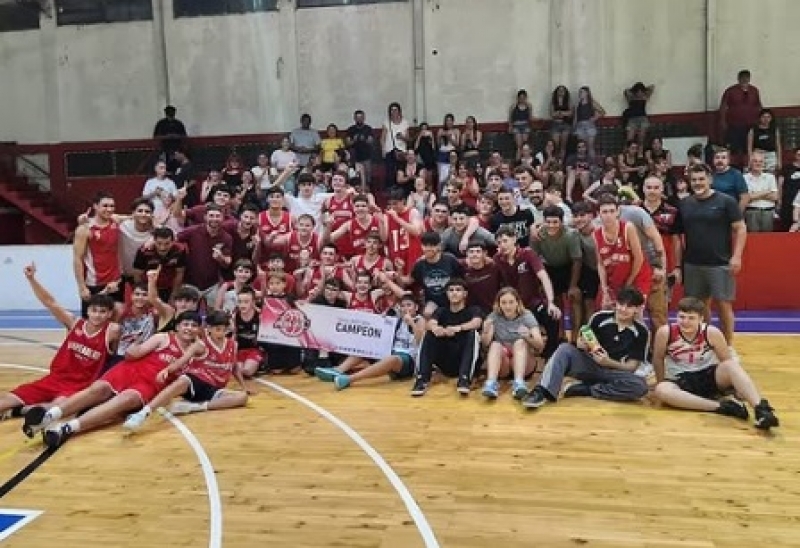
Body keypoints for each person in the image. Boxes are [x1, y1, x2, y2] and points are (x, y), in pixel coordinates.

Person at [25, 311, 204, 448]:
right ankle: (49, 416)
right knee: (97, 390)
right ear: (177, 326)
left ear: (199, 329)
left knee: (121, 402)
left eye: (193, 325)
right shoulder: (163, 338)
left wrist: (187, 352)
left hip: (149, 384)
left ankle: (68, 428)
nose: (189, 328)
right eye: (185, 324)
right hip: (130, 370)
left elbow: (192, 363)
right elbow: (135, 354)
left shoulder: (199, 349)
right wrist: (134, 348)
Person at [0, 264, 118, 422]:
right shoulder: (74, 322)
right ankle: (17, 408)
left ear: (110, 314)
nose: (97, 315)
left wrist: (105, 293)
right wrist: (32, 279)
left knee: (57, 409)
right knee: (6, 400)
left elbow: (121, 311)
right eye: (94, 311)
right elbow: (50, 302)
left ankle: (19, 411)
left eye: (103, 312)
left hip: (79, 387)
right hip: (55, 379)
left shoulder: (112, 331)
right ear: (88, 311)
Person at [652, 296, 779, 430]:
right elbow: (658, 359)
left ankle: (761, 409)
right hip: (680, 380)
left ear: (701, 319)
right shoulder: (665, 332)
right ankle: (722, 407)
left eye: (691, 318)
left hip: (708, 376)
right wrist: (661, 381)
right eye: (681, 317)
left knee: (731, 365)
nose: (685, 322)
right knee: (661, 390)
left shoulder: (711, 333)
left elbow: (726, 362)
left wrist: (736, 388)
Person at [522, 286, 650, 409]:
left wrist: (608, 362)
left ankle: (588, 389)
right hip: (590, 364)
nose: (623, 309)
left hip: (615, 371)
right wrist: (581, 344)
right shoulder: (599, 318)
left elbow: (632, 367)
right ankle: (542, 391)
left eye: (629, 306)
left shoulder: (641, 332)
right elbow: (581, 339)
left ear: (637, 309)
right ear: (616, 303)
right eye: (621, 304)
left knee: (640, 386)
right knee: (564, 349)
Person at [121, 310, 250, 431]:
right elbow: (182, 360)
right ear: (208, 329)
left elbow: (234, 367)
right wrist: (167, 370)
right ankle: (142, 414)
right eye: (218, 330)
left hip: (213, 388)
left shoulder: (233, 344)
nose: (221, 333)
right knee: (183, 381)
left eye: (224, 330)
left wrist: (244, 386)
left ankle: (194, 407)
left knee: (242, 398)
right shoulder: (200, 345)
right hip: (197, 381)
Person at [676, 164, 747, 345]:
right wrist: (677, 265)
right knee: (698, 307)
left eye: (701, 179)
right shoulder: (684, 204)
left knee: (724, 305)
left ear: (710, 179)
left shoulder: (726, 201)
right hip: (692, 264)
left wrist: (737, 256)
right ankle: (704, 343)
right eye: (694, 180)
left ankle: (728, 346)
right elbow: (678, 238)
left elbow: (740, 228)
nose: (698, 183)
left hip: (720, 263)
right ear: (689, 182)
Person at [315, 293, 424, 390]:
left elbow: (421, 342)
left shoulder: (420, 320)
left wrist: (412, 324)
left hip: (408, 361)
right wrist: (383, 321)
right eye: (403, 306)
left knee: (393, 359)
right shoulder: (398, 319)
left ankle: (349, 379)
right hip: (392, 353)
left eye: (409, 305)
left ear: (416, 307)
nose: (405, 308)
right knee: (368, 345)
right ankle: (339, 370)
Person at [410, 279, 483, 396]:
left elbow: (477, 322)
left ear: (465, 294)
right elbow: (430, 323)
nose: (454, 293)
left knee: (472, 334)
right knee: (428, 334)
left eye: (458, 290)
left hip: (463, 358)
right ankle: (422, 379)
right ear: (447, 293)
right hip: (445, 359)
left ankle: (464, 379)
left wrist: (458, 328)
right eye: (451, 290)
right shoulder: (441, 311)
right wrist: (438, 329)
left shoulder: (473, 310)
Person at [480, 287, 544, 400]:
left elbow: (540, 345)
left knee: (519, 342)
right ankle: (491, 383)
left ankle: (519, 383)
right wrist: (485, 331)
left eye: (511, 302)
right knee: (495, 344)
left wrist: (528, 336)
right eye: (503, 302)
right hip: (503, 364)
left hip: (524, 363)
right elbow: (485, 344)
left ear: (517, 303)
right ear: (498, 304)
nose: (507, 306)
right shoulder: (494, 316)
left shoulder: (526, 316)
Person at [73, 192, 123, 318]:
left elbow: (136, 217)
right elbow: (77, 259)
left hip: (114, 283)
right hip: (94, 284)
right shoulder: (85, 229)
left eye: (112, 206)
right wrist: (82, 287)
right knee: (91, 321)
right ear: (95, 206)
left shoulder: (115, 221)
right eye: (105, 206)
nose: (109, 209)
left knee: (114, 320)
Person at [719, 70, 762, 159]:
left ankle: (748, 164)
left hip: (751, 124)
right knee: (735, 147)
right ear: (738, 79)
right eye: (743, 78)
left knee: (750, 146)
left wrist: (761, 120)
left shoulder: (754, 90)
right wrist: (723, 121)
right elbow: (723, 107)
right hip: (735, 124)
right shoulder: (730, 91)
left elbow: (759, 105)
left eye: (747, 77)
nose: (745, 80)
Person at [743, 151, 778, 232]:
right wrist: (766, 192)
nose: (758, 163)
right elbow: (747, 197)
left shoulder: (770, 177)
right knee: (754, 240)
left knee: (767, 241)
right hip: (751, 212)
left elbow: (775, 197)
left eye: (761, 161)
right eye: (755, 161)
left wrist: (754, 194)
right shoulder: (744, 178)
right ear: (750, 163)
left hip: (768, 212)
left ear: (764, 163)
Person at [346, 110, 375, 188]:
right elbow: (348, 143)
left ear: (364, 118)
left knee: (368, 176)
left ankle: (368, 190)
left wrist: (364, 139)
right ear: (354, 118)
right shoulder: (350, 129)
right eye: (357, 118)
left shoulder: (368, 129)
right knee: (355, 176)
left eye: (361, 117)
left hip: (366, 156)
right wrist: (354, 140)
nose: (359, 119)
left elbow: (371, 141)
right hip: (354, 158)